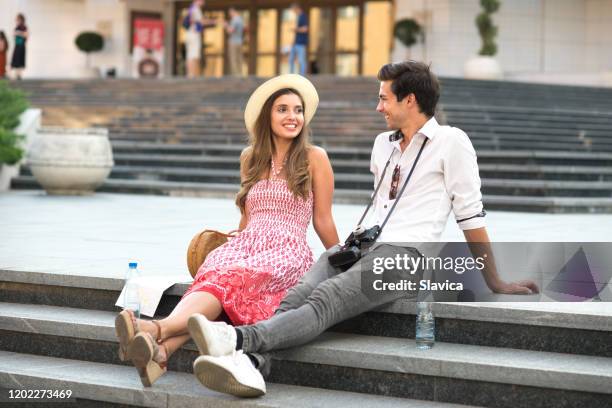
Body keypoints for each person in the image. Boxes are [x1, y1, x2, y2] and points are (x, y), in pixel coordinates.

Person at [187, 61, 541, 397]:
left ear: (410, 100)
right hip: (360, 248)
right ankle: (252, 365)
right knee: (295, 296)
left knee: (326, 299)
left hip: (407, 256)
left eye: (384, 98)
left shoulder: (451, 142)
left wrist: (494, 281)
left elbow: (471, 216)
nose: (378, 108)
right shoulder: (382, 145)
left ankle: (235, 342)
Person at [114, 74, 339, 388]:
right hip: (248, 243)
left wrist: (339, 261)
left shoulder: (315, 158)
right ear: (267, 116)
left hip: (287, 251)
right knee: (216, 271)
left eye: (298, 110)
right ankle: (162, 353)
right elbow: (247, 219)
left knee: (232, 278)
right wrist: (229, 245)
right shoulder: (250, 158)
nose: (292, 117)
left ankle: (157, 330)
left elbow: (323, 220)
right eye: (283, 109)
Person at [183, 0, 216, 78]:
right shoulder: (196, 9)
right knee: (193, 55)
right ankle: (191, 74)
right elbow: (201, 21)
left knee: (190, 55)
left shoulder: (191, 8)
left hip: (190, 33)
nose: (203, 2)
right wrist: (213, 21)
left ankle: (190, 74)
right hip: (193, 34)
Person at [289, 3, 308, 76]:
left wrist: (296, 29)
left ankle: (302, 75)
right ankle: (291, 75)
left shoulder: (303, 16)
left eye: (293, 10)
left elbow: (305, 29)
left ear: (297, 8)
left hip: (301, 43)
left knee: (301, 60)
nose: (293, 12)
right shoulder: (299, 17)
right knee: (291, 59)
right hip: (296, 42)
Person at [225, 7, 244, 76]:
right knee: (239, 58)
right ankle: (240, 73)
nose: (230, 14)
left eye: (230, 12)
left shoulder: (234, 20)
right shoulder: (241, 19)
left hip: (233, 42)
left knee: (233, 58)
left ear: (233, 11)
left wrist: (226, 25)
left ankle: (235, 75)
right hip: (240, 41)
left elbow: (230, 30)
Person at [10, 14, 27, 80]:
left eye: (18, 19)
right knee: (15, 60)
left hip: (21, 45)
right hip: (17, 45)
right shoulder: (16, 27)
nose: (17, 21)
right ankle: (16, 74)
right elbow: (14, 34)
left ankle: (19, 75)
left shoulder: (24, 27)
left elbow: (26, 35)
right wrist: (15, 34)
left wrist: (19, 33)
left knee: (20, 60)